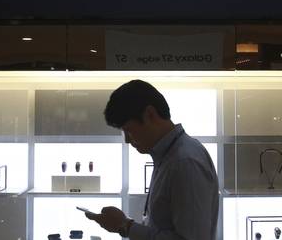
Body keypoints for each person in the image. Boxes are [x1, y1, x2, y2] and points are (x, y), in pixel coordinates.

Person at [86, 80, 219, 239]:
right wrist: (125, 226)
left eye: (128, 130)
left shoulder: (184, 162)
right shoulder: (171, 156)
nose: (127, 140)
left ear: (150, 114)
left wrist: (126, 226)